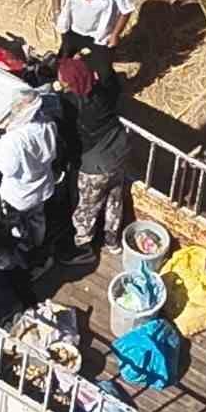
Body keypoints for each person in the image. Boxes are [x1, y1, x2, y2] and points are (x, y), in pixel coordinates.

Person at [57, 50, 129, 265]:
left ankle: (83, 247)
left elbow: (68, 134)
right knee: (114, 199)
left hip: (95, 165)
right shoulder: (105, 91)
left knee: (86, 207)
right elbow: (107, 69)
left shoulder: (73, 105)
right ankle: (112, 242)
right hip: (118, 152)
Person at [0, 90, 58, 256]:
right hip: (43, 187)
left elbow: (7, 169)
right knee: (37, 220)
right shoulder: (48, 124)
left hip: (18, 195)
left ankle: (24, 252)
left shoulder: (13, 140)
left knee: (16, 227)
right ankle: (38, 246)